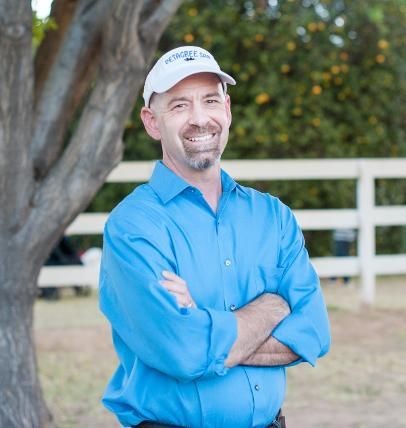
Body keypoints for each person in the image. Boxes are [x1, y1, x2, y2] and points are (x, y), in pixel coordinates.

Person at [99, 46, 331, 428]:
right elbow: (183, 350)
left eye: (210, 100)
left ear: (227, 109)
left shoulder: (272, 217)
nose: (199, 118)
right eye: (179, 106)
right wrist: (272, 308)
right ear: (151, 122)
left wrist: (207, 324)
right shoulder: (133, 227)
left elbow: (314, 333)